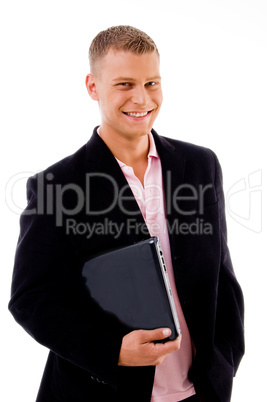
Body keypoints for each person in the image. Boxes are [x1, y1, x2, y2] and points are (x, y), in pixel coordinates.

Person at [8, 25, 244, 402]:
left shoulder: (200, 164)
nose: (142, 98)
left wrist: (225, 359)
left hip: (198, 391)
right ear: (92, 87)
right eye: (124, 84)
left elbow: (221, 274)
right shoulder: (56, 185)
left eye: (152, 82)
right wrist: (112, 350)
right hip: (101, 391)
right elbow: (32, 298)